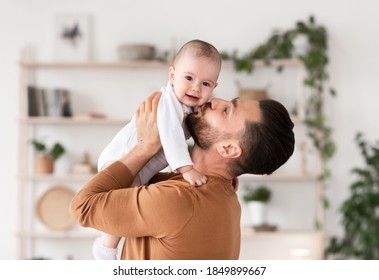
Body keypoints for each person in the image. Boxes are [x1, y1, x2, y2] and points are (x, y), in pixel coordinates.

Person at [70, 91, 295, 260]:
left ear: (228, 150)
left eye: (227, 111)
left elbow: (83, 207)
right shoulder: (223, 196)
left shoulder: (180, 200)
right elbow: (135, 186)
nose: (215, 101)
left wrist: (146, 146)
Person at [93, 39, 222, 259]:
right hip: (122, 159)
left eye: (206, 84)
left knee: (132, 202)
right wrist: (186, 169)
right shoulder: (168, 102)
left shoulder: (191, 108)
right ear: (172, 76)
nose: (196, 87)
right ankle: (106, 247)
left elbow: (202, 134)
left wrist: (221, 170)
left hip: (142, 167)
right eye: (189, 78)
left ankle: (111, 246)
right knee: (126, 203)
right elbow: (172, 135)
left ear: (214, 87)